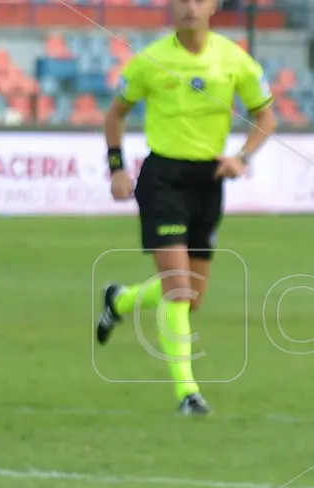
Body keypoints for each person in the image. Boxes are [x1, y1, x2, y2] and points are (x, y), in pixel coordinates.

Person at [95, 0, 277, 415]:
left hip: (209, 182)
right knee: (178, 288)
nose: (190, 7)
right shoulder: (149, 60)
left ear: (214, 6)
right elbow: (115, 115)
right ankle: (187, 393)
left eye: (199, 0)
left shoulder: (235, 60)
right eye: (182, 0)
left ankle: (119, 301)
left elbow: (266, 117)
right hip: (163, 179)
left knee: (190, 296)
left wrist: (242, 158)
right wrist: (117, 168)